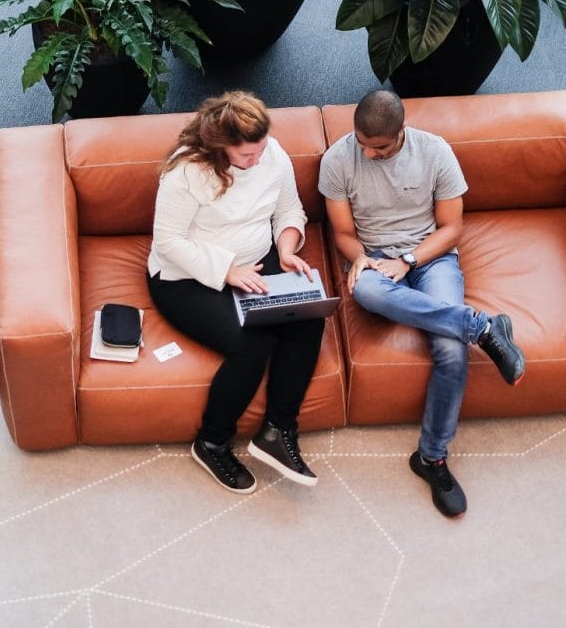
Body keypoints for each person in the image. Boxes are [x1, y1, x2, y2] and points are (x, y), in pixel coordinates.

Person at [318, 89, 525, 518]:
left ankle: (431, 457)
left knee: (450, 349)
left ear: (401, 132)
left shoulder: (435, 151)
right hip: (375, 259)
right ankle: (482, 327)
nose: (368, 154)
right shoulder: (338, 159)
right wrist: (362, 260)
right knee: (366, 291)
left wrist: (408, 260)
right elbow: (343, 233)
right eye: (362, 144)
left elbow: (451, 229)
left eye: (379, 148)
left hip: (430, 257)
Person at [147, 90, 324, 494]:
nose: (257, 160)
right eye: (247, 155)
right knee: (252, 345)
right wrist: (228, 271)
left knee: (308, 320)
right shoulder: (186, 172)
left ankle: (278, 430)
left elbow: (289, 210)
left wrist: (286, 249)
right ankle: (211, 441)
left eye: (261, 150)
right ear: (220, 147)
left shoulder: (271, 153)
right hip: (187, 276)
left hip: (258, 261)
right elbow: (168, 242)